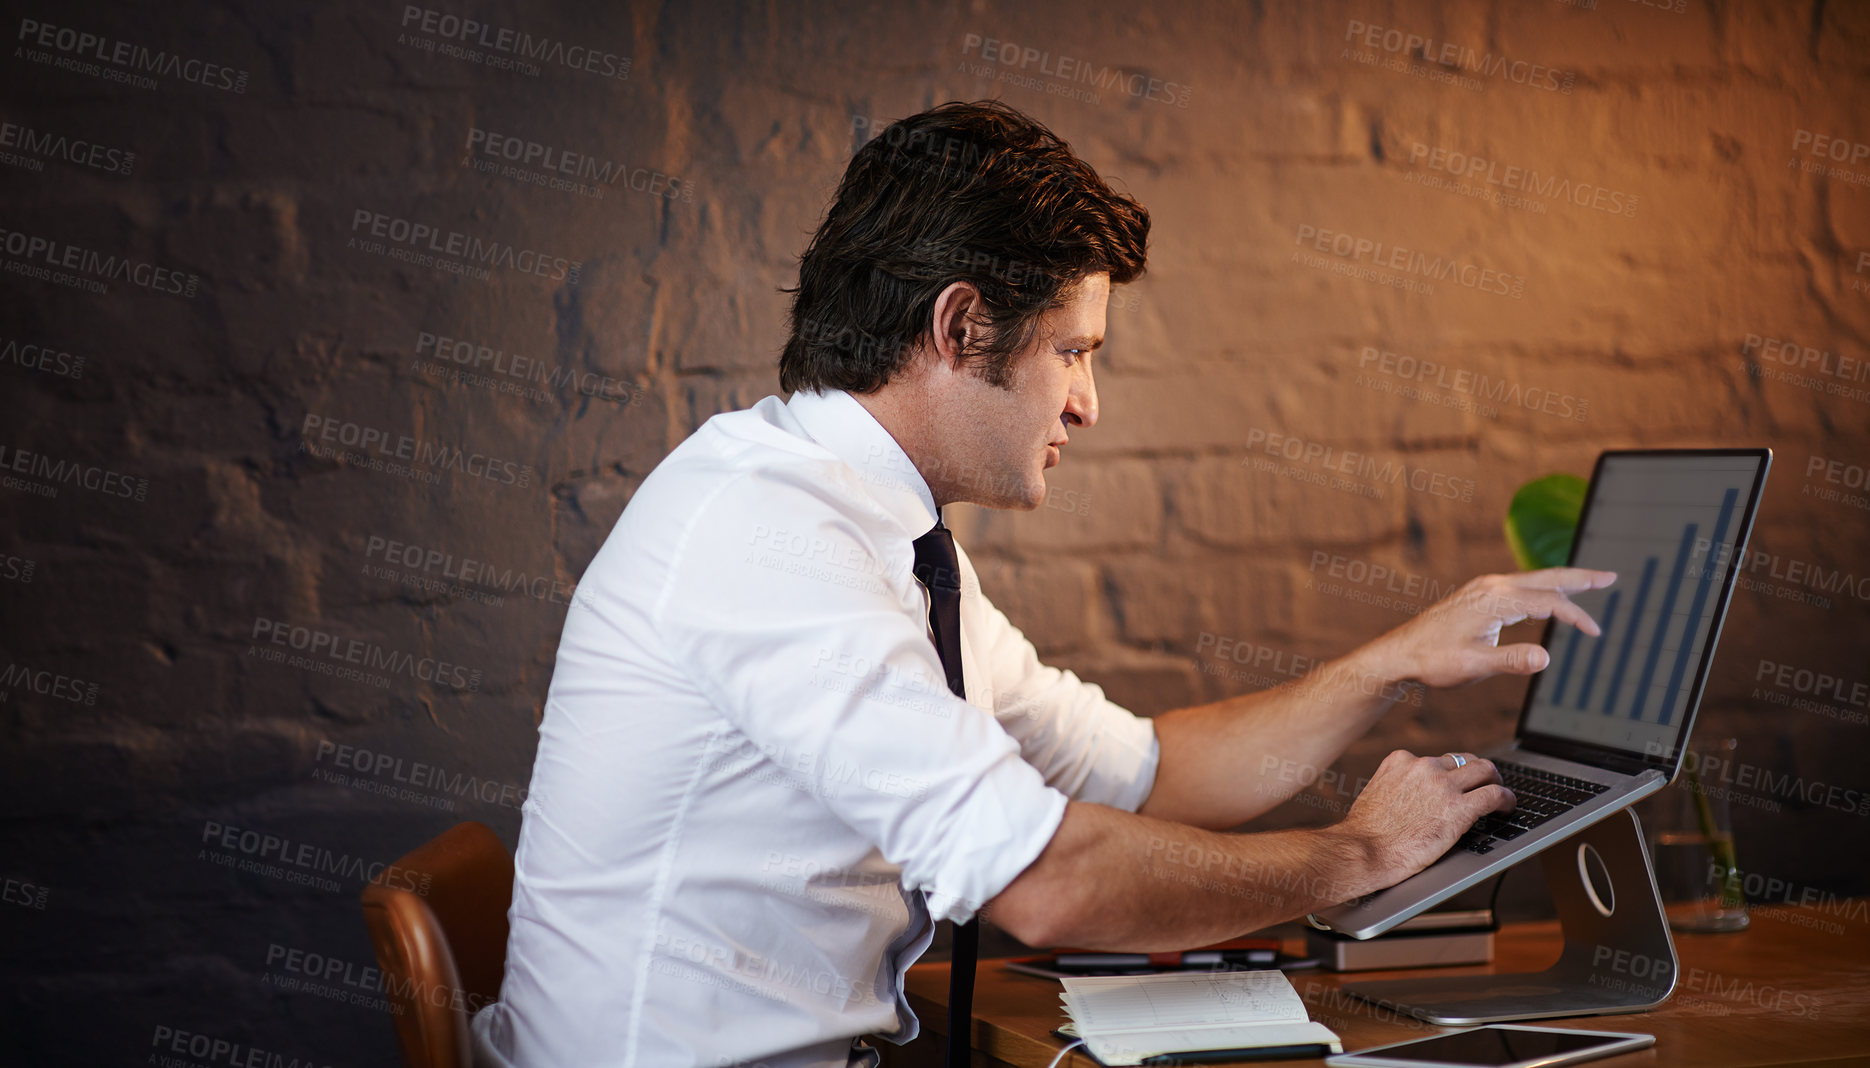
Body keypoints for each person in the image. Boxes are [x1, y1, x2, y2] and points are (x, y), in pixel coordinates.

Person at [469, 99, 1614, 1067]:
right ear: (962, 327)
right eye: (1072, 352)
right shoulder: (770, 537)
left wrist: (1393, 661)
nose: (1087, 405)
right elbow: (1050, 886)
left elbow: (1144, 774)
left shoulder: (885, 538)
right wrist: (1358, 857)